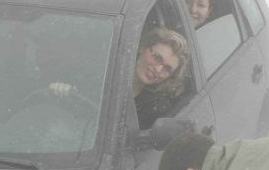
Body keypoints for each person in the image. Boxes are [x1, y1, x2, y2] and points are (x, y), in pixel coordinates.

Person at [49, 26, 190, 129]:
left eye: (167, 69)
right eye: (157, 58)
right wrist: (62, 91)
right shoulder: (98, 71)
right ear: (142, 48)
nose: (158, 70)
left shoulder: (157, 109)